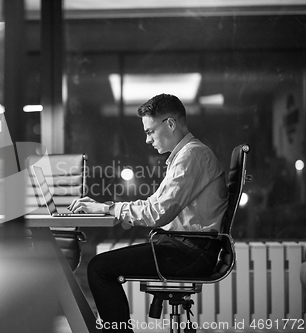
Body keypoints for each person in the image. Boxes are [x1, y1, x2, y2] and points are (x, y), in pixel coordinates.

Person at [68, 93, 228, 332]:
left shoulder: (191, 156)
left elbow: (156, 213)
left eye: (150, 131)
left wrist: (107, 208)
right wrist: (108, 207)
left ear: (171, 124)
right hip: (188, 248)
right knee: (102, 266)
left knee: (100, 268)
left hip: (191, 252)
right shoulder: (187, 156)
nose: (147, 140)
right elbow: (155, 205)